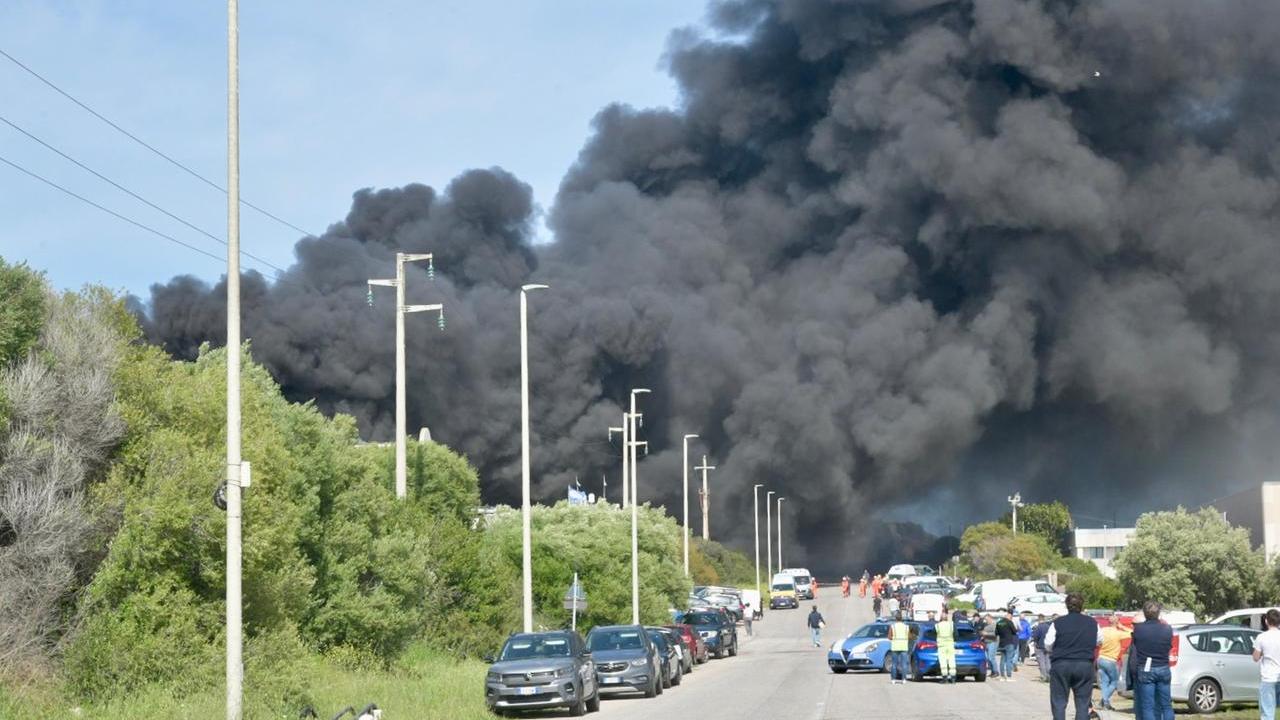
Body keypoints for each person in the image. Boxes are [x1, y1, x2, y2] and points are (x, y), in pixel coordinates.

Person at [1045, 592, 1102, 720]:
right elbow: (1099, 640)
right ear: (1082, 605)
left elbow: (1048, 644)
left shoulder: (1058, 622)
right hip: (1084, 664)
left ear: (1067, 605)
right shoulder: (1092, 623)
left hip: (1061, 664)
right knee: (1083, 703)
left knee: (1059, 701)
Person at [1131, 601, 1173, 720]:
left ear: (1145, 613)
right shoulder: (1167, 629)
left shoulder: (1138, 629)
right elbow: (1169, 646)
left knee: (1148, 706)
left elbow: (1136, 646)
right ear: (1158, 613)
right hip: (1163, 666)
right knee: (1166, 705)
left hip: (1146, 668)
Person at [1098, 613, 1132, 710]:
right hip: (1111, 659)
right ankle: (1104, 700)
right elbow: (1132, 633)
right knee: (1114, 682)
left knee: (1104, 682)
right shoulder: (1118, 633)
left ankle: (1105, 703)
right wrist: (1122, 627)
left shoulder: (1103, 630)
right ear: (1117, 623)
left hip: (1101, 658)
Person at [1253, 608, 1280, 720]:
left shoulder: (1261, 637)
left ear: (1266, 621)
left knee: (1268, 712)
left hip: (1268, 678)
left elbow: (1255, 657)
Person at [996, 609, 1019, 681]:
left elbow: (996, 633)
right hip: (1009, 643)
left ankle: (1002, 677)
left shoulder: (999, 622)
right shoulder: (1009, 622)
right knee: (1009, 660)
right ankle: (1009, 677)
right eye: (1011, 616)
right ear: (1010, 615)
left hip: (1002, 643)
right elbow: (1015, 632)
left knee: (1002, 660)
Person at [936, 609, 957, 684]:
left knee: (943, 662)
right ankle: (953, 679)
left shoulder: (937, 625)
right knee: (952, 661)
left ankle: (945, 679)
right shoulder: (951, 625)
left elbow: (933, 634)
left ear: (940, 618)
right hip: (950, 646)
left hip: (941, 647)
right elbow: (956, 635)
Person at [889, 612, 911, 684]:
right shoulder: (906, 627)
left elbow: (889, 637)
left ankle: (893, 679)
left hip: (895, 646)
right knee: (904, 664)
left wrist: (894, 638)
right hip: (904, 646)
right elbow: (909, 636)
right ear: (902, 618)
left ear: (896, 619)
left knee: (894, 664)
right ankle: (904, 679)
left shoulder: (892, 626)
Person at [1032, 613, 1052, 682]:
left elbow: (1035, 637)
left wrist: (1035, 643)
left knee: (1042, 662)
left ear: (1039, 619)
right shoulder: (1048, 627)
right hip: (1048, 646)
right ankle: (1049, 676)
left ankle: (1044, 677)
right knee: (1048, 662)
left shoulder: (1038, 627)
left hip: (1040, 647)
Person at [979, 613, 999, 678]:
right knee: (987, 658)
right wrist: (982, 635)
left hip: (993, 642)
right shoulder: (986, 625)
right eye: (985, 619)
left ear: (990, 618)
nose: (986, 621)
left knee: (991, 657)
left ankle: (996, 671)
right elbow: (984, 633)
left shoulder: (994, 625)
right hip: (987, 642)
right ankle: (992, 672)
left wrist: (986, 633)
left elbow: (995, 634)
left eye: (987, 619)